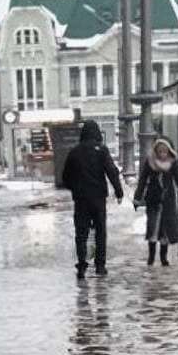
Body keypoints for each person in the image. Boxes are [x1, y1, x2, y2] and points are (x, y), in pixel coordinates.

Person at [62, 120, 124, 280]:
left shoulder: (74, 152)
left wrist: (74, 188)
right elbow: (111, 171)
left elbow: (65, 176)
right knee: (100, 232)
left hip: (81, 199)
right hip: (98, 199)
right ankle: (100, 266)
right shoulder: (102, 150)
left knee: (81, 232)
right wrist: (118, 191)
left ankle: (82, 264)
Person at [133, 138, 178, 267]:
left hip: (168, 200)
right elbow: (142, 180)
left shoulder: (172, 163)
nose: (162, 154)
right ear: (156, 151)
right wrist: (137, 198)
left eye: (165, 151)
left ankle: (163, 257)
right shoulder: (150, 163)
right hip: (153, 199)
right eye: (160, 151)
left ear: (169, 151)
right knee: (153, 228)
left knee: (166, 229)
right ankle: (151, 257)